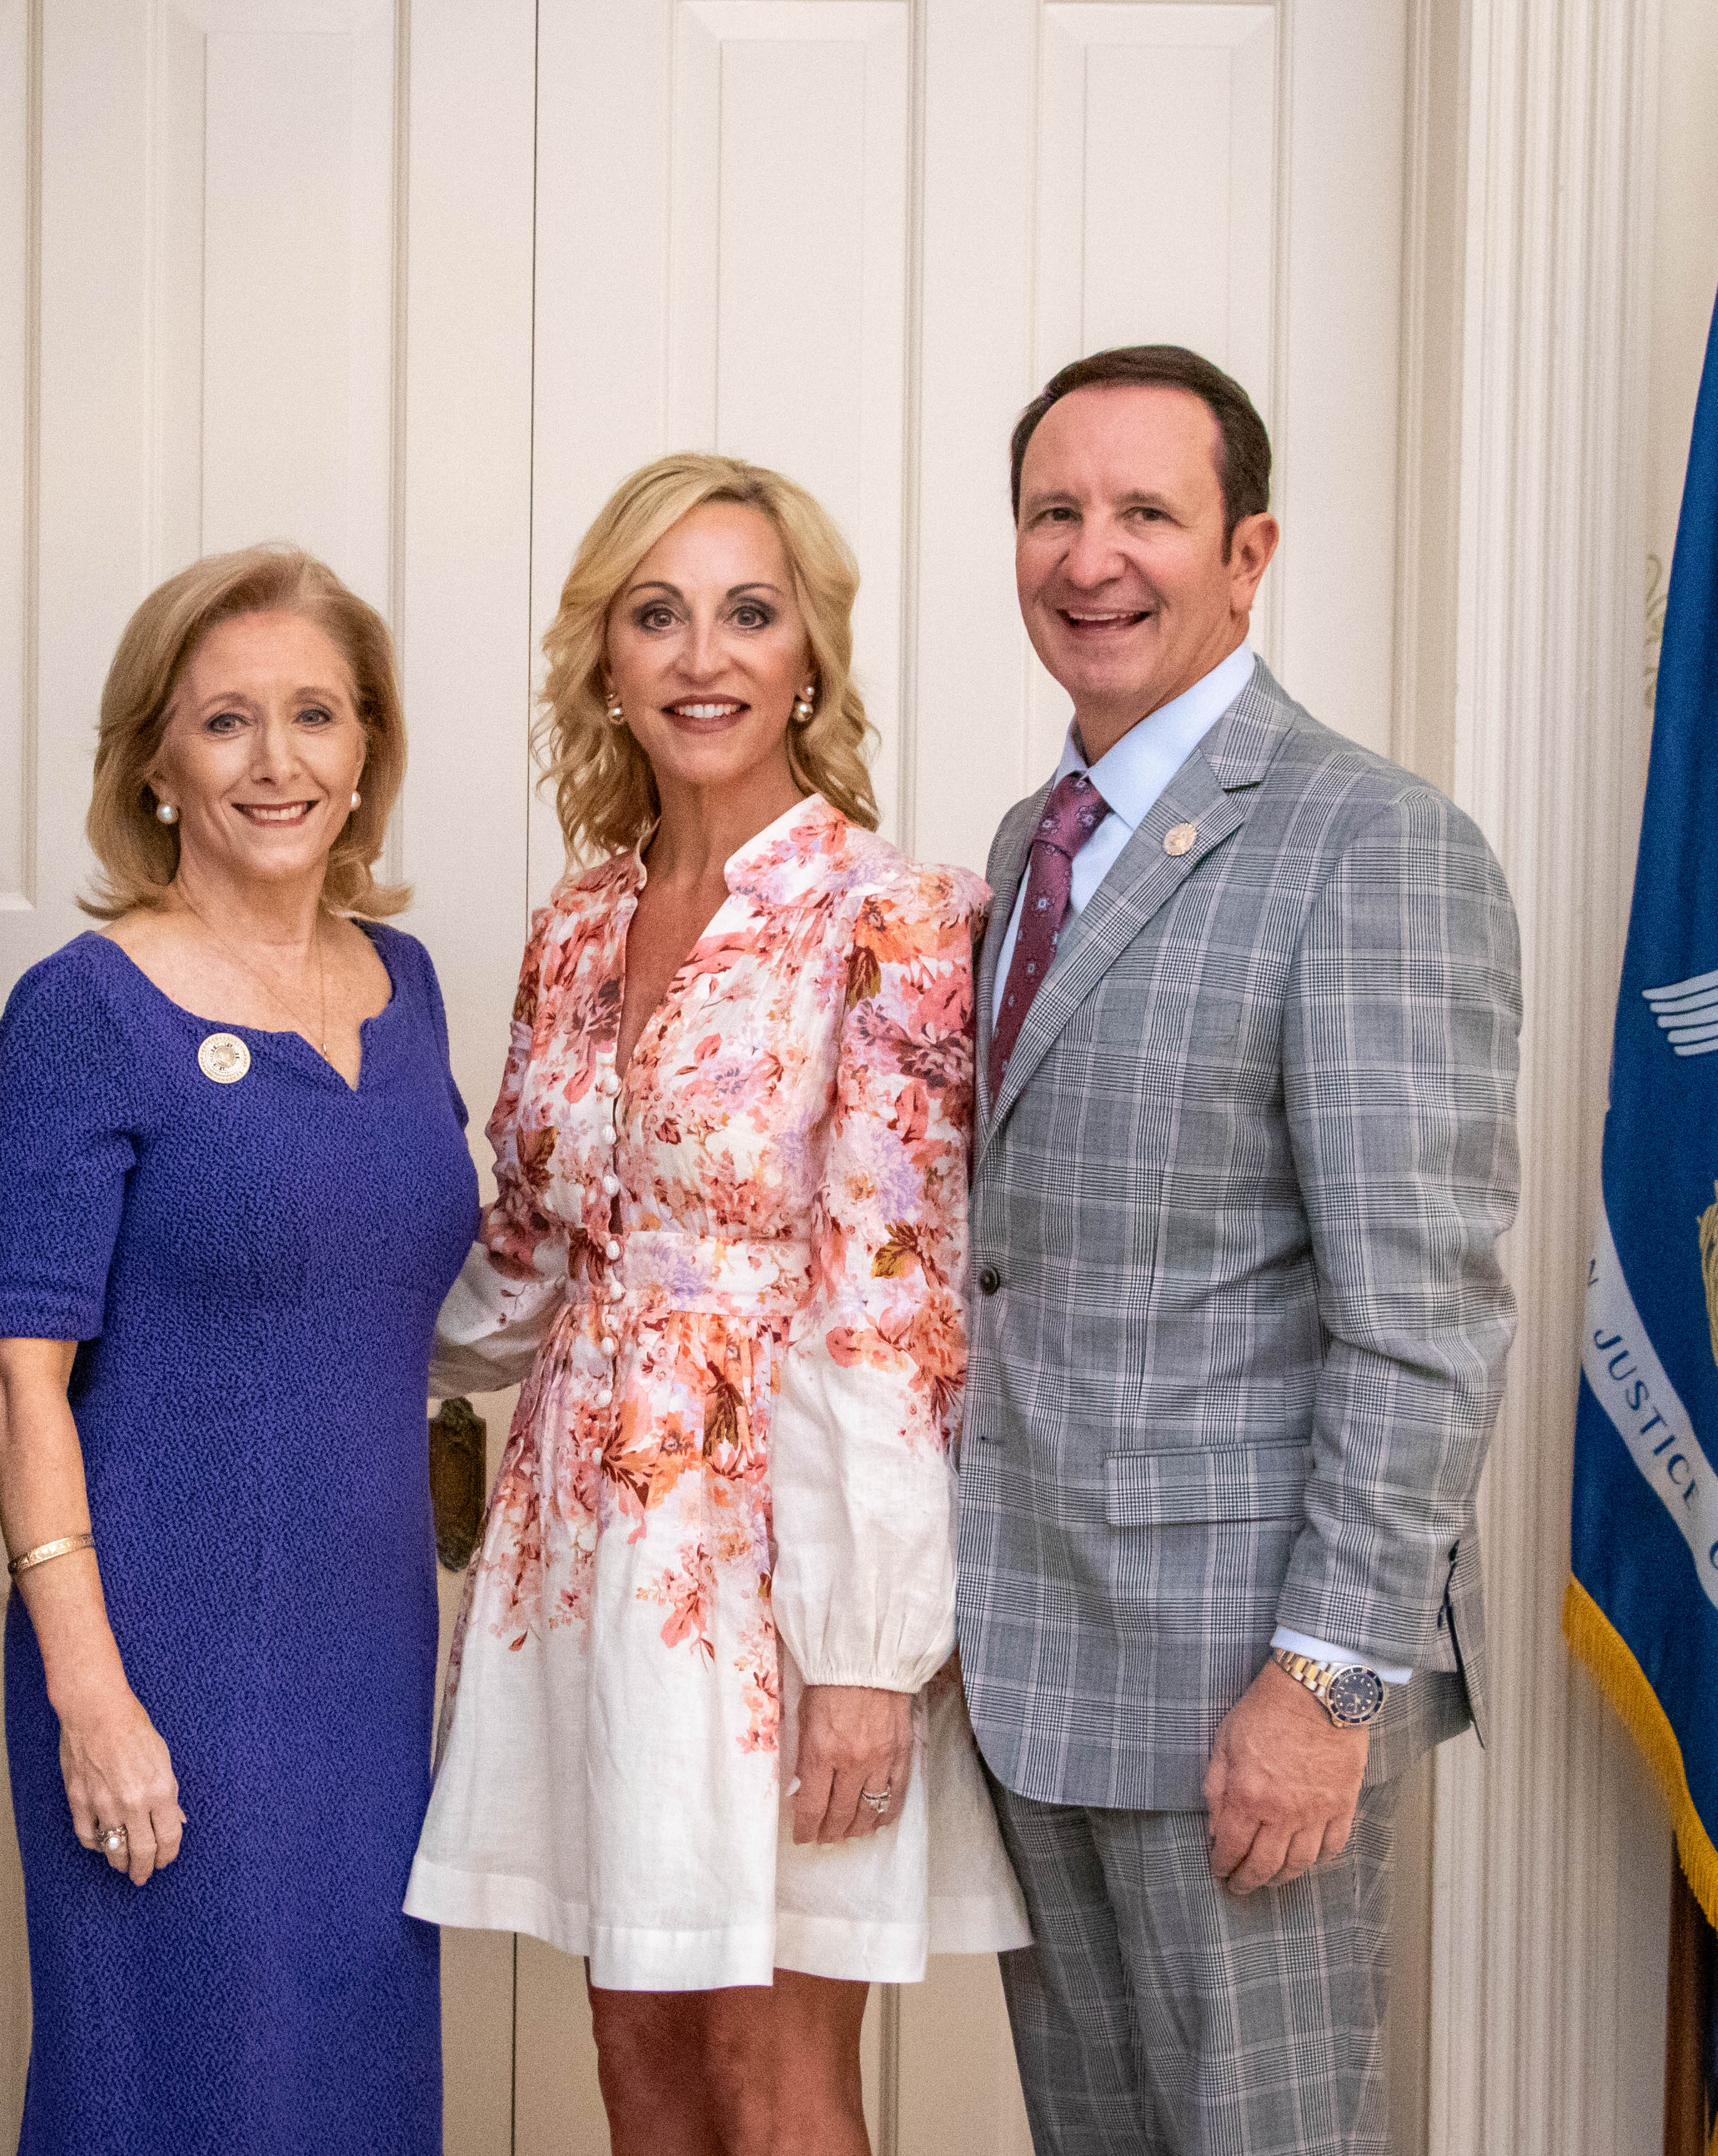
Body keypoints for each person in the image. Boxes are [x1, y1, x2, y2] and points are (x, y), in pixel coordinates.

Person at [412, 454, 1030, 2155]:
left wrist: (867, 1655)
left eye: (749, 612)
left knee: (771, 2081)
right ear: (602, 657)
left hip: (778, 1570)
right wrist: (296, 1333)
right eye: (656, 612)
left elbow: (895, 1308)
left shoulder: (889, 916)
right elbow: (527, 1257)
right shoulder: (577, 921)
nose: (703, 654)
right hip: (579, 1551)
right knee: (637, 2063)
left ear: (809, 656)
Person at [953, 344, 1521, 2156]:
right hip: (1039, 1663)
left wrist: (1329, 1680)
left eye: (1145, 512)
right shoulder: (1024, 847)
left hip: (1244, 1698)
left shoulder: (1374, 849)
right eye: (1055, 511)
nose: (1091, 555)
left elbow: (1423, 1322)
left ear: (1248, 550)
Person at [0, 545, 477, 2156]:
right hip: (163, 1658)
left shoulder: (409, 990)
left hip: (374, 1661)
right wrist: (92, 1699)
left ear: (368, 754)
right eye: (228, 722)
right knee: (182, 2094)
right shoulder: (84, 1007)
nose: (278, 763)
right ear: (157, 764)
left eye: (317, 717)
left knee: (355, 2090)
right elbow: (16, 1377)